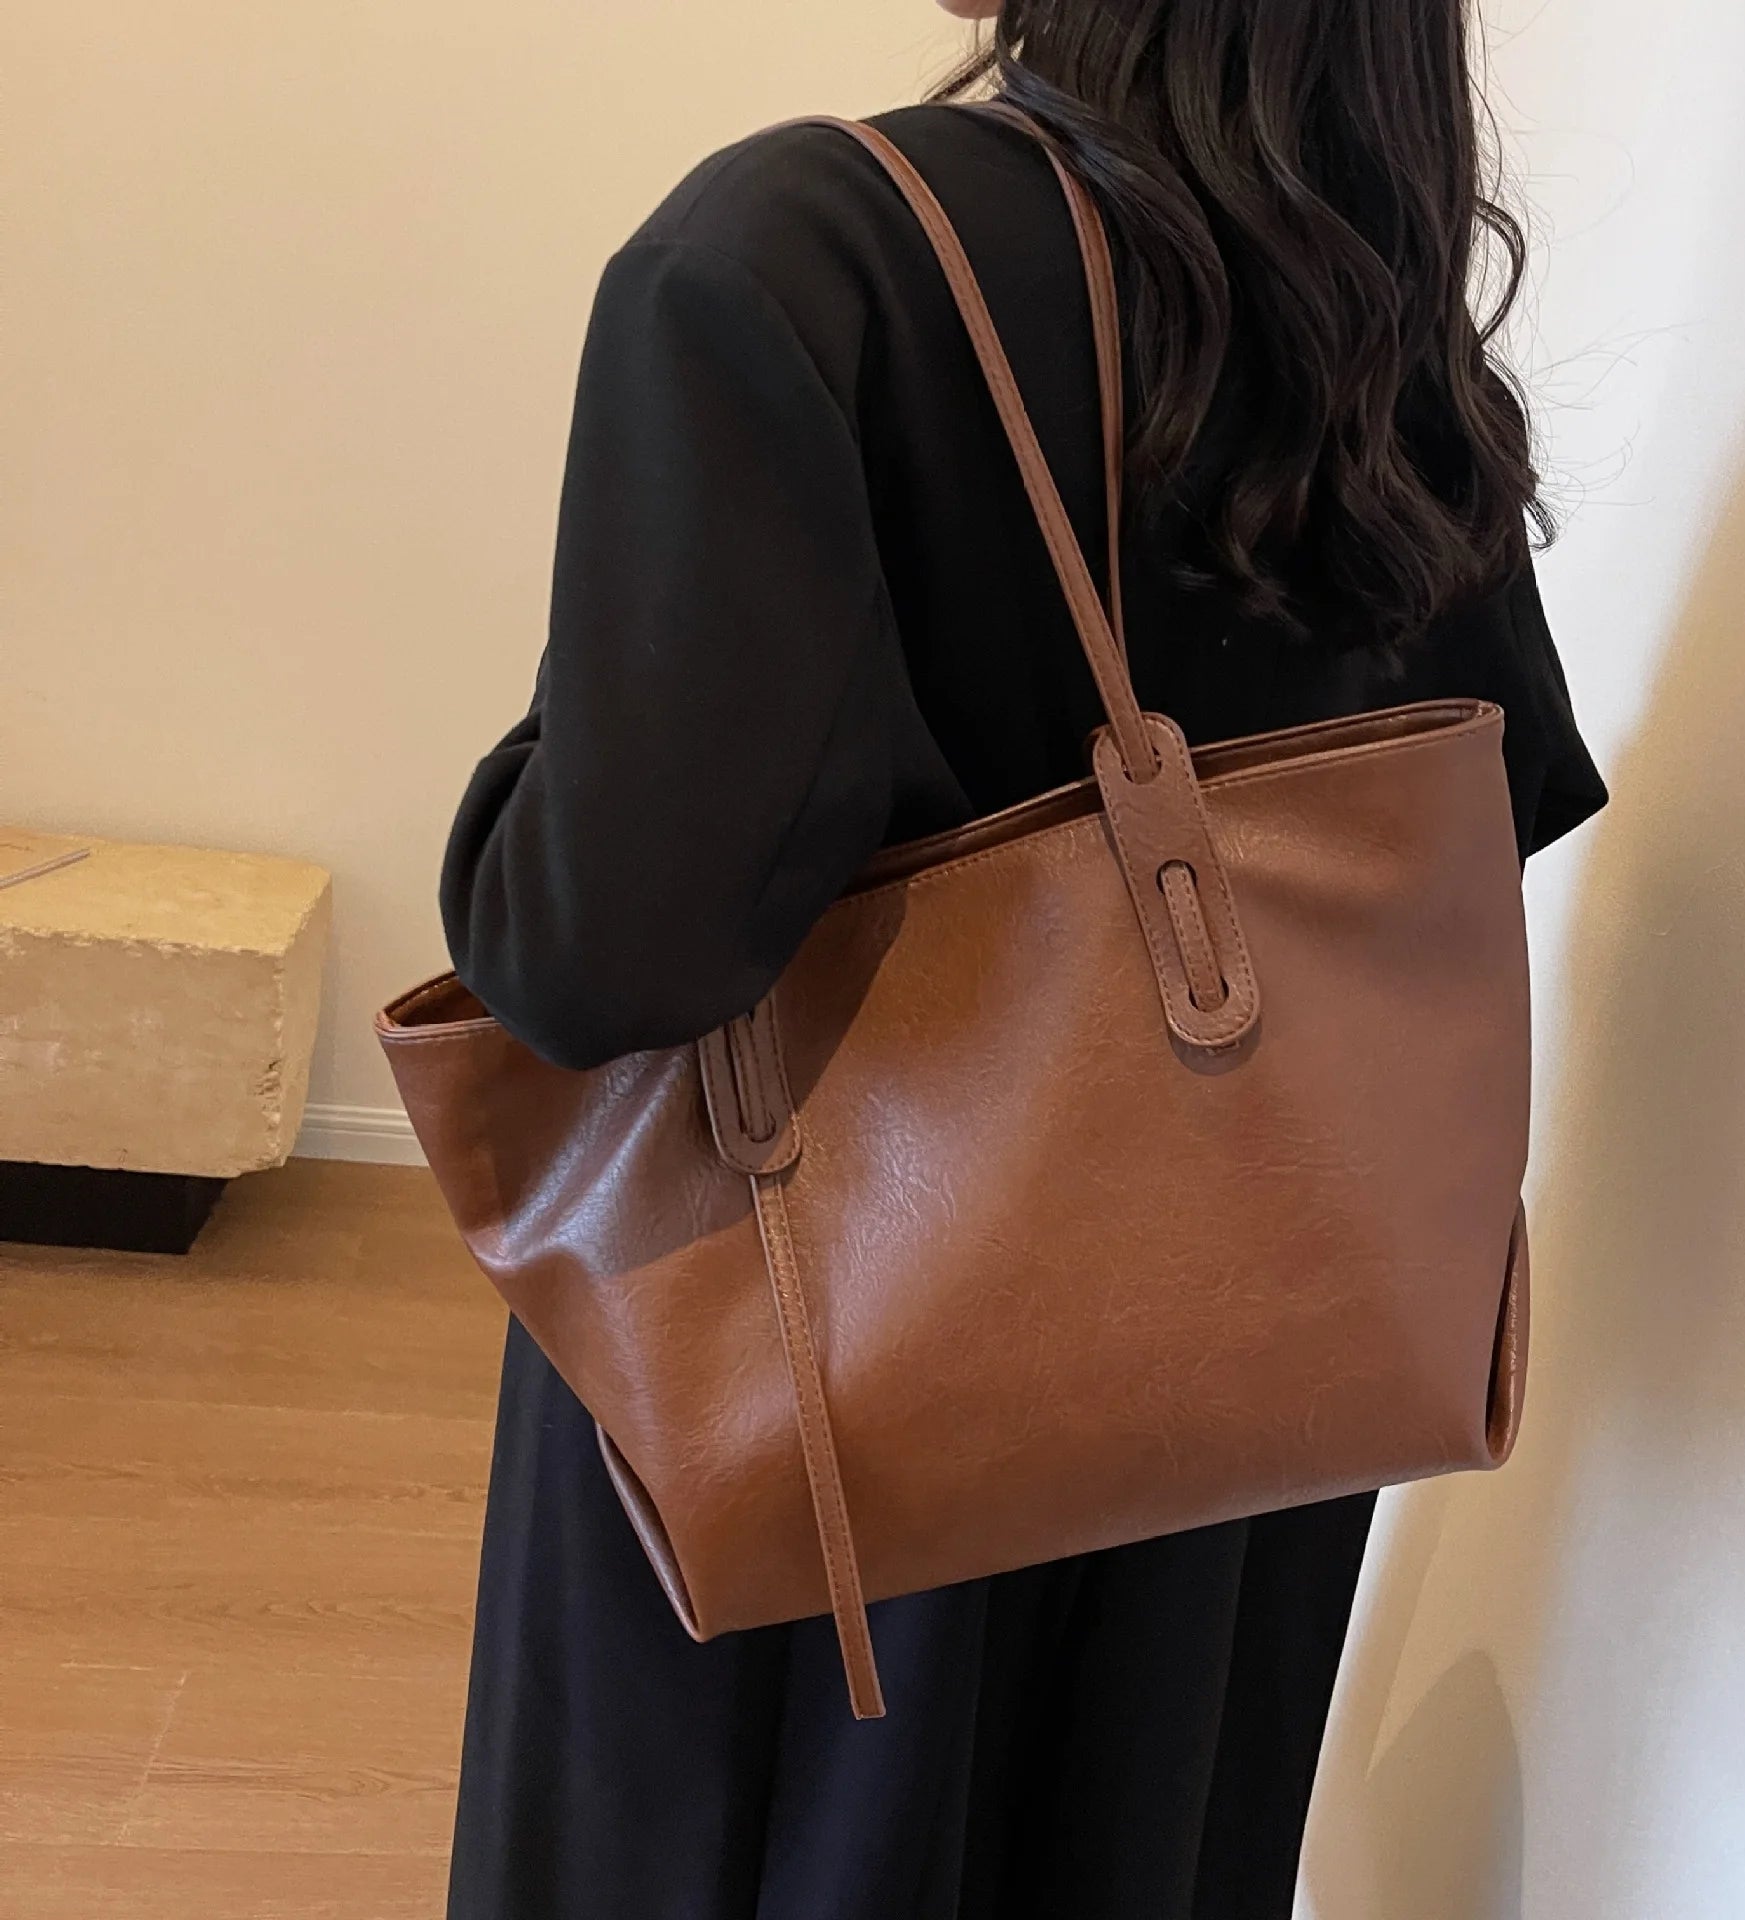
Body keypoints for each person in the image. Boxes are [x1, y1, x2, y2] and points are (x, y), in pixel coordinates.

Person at [436, 2, 1608, 1914]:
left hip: (822, 1412)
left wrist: (543, 758)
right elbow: (1481, 816)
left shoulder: (799, 257)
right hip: (1246, 1401)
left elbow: (600, 951)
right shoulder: (1386, 352)